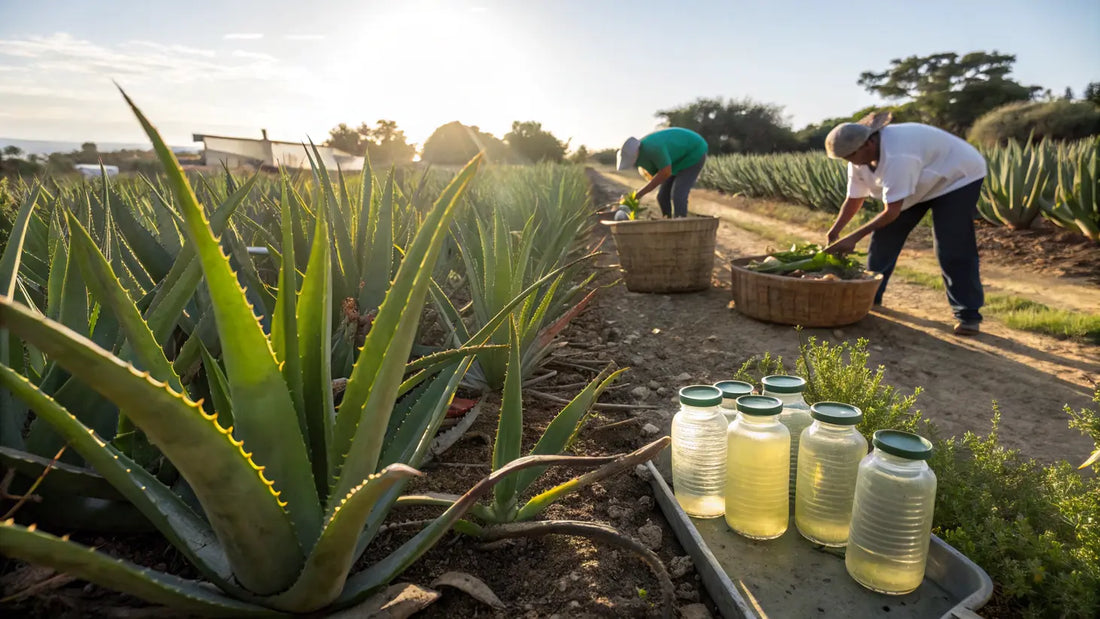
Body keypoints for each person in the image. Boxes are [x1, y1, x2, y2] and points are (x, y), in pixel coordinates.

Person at [823, 112, 988, 336]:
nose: (848, 162)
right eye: (844, 158)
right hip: (920, 180)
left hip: (957, 177)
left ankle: (967, 314)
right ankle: (869, 299)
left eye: (850, 156)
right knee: (883, 240)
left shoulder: (899, 155)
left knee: (951, 246)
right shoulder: (857, 156)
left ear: (869, 143)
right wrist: (836, 231)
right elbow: (854, 199)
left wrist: (854, 237)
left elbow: (891, 212)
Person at [616, 127, 708, 218]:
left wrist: (638, 195)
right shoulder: (642, 154)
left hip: (694, 152)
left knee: (678, 194)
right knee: (662, 197)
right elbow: (658, 174)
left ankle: (680, 225)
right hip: (676, 161)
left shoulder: (653, 148)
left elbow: (665, 173)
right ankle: (667, 222)